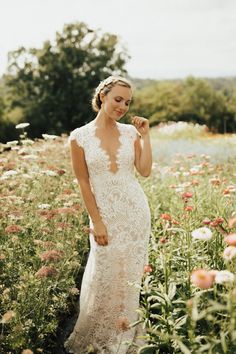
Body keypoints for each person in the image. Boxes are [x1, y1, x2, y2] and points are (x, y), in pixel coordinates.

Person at [64, 75, 152, 354]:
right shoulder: (79, 137)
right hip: (104, 216)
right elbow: (83, 182)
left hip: (136, 213)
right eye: (118, 99)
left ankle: (125, 331)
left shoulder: (131, 133)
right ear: (102, 96)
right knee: (104, 272)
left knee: (129, 275)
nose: (123, 106)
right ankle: (99, 334)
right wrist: (97, 221)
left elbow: (145, 170)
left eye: (127, 102)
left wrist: (146, 137)